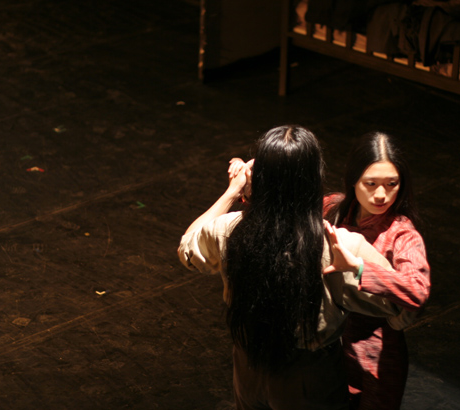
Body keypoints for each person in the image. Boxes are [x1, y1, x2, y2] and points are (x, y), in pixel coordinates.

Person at [177, 125, 409, 410]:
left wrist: (232, 191)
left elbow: (187, 247)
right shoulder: (339, 245)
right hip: (309, 377)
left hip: (249, 366)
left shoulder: (227, 229)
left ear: (259, 178)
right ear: (314, 180)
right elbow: (402, 305)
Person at [324, 131, 431, 410]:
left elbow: (417, 290)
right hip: (328, 347)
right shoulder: (333, 208)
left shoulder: (402, 233)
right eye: (370, 184)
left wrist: (359, 267)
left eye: (391, 184)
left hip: (375, 358)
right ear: (353, 180)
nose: (381, 194)